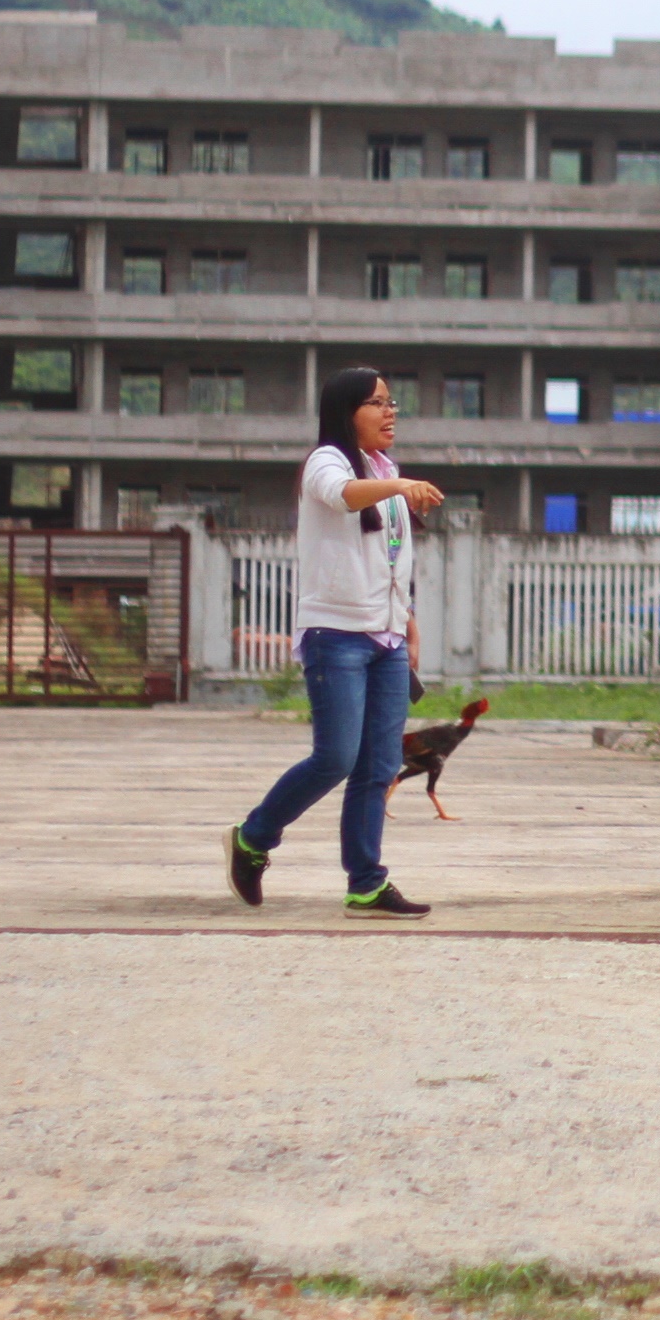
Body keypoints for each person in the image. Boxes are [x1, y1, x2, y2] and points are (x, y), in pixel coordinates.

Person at [226, 365, 446, 917]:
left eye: (392, 403)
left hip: (386, 639)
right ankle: (253, 838)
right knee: (336, 758)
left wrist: (408, 618)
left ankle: (367, 883)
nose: (389, 412)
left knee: (377, 766)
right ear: (347, 413)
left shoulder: (386, 470)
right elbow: (345, 496)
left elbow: (391, 557)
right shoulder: (327, 462)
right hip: (336, 637)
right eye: (376, 403)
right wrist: (399, 485)